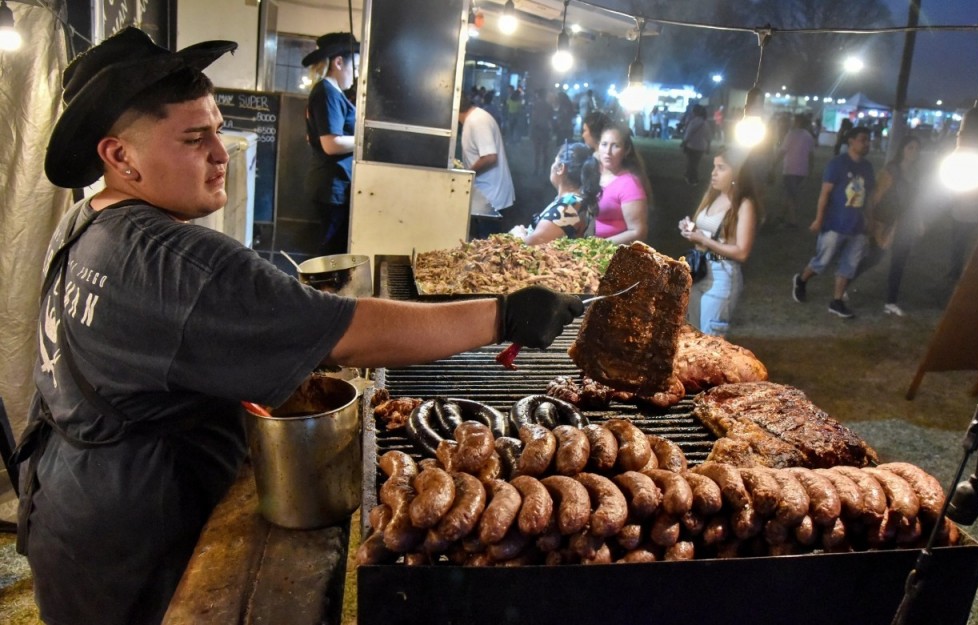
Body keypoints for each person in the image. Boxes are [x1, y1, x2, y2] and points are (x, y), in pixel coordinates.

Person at [16, 28, 582, 625]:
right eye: (194, 138)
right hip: (135, 544)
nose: (220, 152)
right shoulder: (173, 261)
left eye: (216, 129)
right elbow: (347, 332)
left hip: (68, 511)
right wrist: (504, 314)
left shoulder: (88, 219)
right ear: (119, 156)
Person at [792, 126, 876, 318]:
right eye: (863, 139)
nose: (866, 143)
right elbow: (825, 194)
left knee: (849, 264)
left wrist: (870, 220)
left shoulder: (868, 167)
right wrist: (819, 219)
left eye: (868, 140)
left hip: (857, 226)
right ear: (851, 141)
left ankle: (836, 301)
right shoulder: (838, 164)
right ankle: (802, 280)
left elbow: (869, 197)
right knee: (823, 261)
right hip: (836, 223)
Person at [679, 147, 763, 335]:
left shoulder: (744, 205)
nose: (713, 172)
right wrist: (690, 229)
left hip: (721, 275)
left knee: (710, 341)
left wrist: (703, 239)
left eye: (721, 167)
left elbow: (742, 252)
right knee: (691, 333)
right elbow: (707, 234)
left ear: (737, 172)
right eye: (713, 166)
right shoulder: (712, 196)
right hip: (699, 271)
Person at [302, 32, 359, 255]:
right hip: (331, 186)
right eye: (354, 67)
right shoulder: (327, 93)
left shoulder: (332, 93)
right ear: (338, 62)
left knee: (332, 250)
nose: (355, 75)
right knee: (329, 253)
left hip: (335, 185)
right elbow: (331, 144)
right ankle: (321, 290)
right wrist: (365, 140)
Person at [871, 135, 922, 317]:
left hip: (905, 224)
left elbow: (916, 200)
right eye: (910, 148)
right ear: (902, 149)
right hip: (887, 221)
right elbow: (876, 197)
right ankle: (844, 284)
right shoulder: (891, 171)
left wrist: (918, 220)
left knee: (899, 262)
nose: (914, 152)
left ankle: (891, 301)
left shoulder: (916, 173)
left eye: (916, 148)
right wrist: (871, 220)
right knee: (874, 257)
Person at [510, 142, 600, 245]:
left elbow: (534, 244)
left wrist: (518, 234)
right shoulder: (577, 199)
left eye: (554, 161)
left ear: (561, 168)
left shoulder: (569, 205)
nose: (552, 166)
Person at [458, 94, 515, 239]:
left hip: (491, 199)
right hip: (485, 195)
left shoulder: (477, 121)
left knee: (488, 250)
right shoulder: (473, 119)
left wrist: (465, 174)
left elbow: (490, 157)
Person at [594, 122, 650, 243]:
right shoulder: (592, 173)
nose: (608, 151)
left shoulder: (629, 184)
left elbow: (638, 231)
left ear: (626, 150)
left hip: (610, 253)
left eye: (615, 146)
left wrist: (600, 247)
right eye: (604, 144)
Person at [774, 114, 816, 227]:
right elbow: (811, 155)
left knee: (791, 195)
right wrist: (810, 170)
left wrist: (774, 165)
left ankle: (793, 221)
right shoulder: (808, 136)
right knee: (789, 193)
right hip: (802, 170)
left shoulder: (791, 134)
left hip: (790, 168)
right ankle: (781, 215)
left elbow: (782, 151)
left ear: (797, 122)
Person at [681, 104, 712, 186]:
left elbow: (688, 134)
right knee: (695, 164)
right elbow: (708, 136)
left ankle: (692, 178)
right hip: (701, 147)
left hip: (691, 146)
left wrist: (684, 142)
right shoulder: (705, 123)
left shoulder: (693, 122)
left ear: (695, 112)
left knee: (691, 163)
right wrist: (708, 147)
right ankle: (690, 177)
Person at [529, 88, 555, 175]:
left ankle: (536, 170)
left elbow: (533, 118)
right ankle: (544, 170)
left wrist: (531, 131)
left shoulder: (535, 105)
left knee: (537, 151)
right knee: (545, 151)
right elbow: (551, 119)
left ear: (538, 95)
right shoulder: (548, 106)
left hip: (537, 129)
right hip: (545, 130)